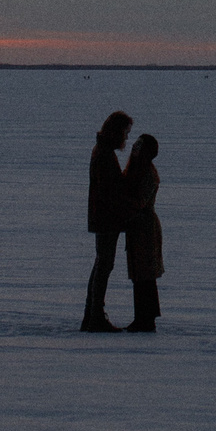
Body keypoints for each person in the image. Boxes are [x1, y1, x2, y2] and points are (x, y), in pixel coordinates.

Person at [81, 111, 133, 332]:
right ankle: (95, 316)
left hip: (103, 217)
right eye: (125, 133)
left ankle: (92, 314)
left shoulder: (102, 151)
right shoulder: (104, 154)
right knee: (104, 264)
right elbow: (109, 189)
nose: (126, 138)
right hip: (106, 218)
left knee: (102, 263)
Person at [122, 134, 164, 332]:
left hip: (145, 227)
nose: (135, 148)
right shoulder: (137, 171)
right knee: (140, 274)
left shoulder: (146, 173)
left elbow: (141, 202)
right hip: (138, 226)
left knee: (145, 274)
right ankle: (143, 316)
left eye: (139, 146)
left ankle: (146, 318)